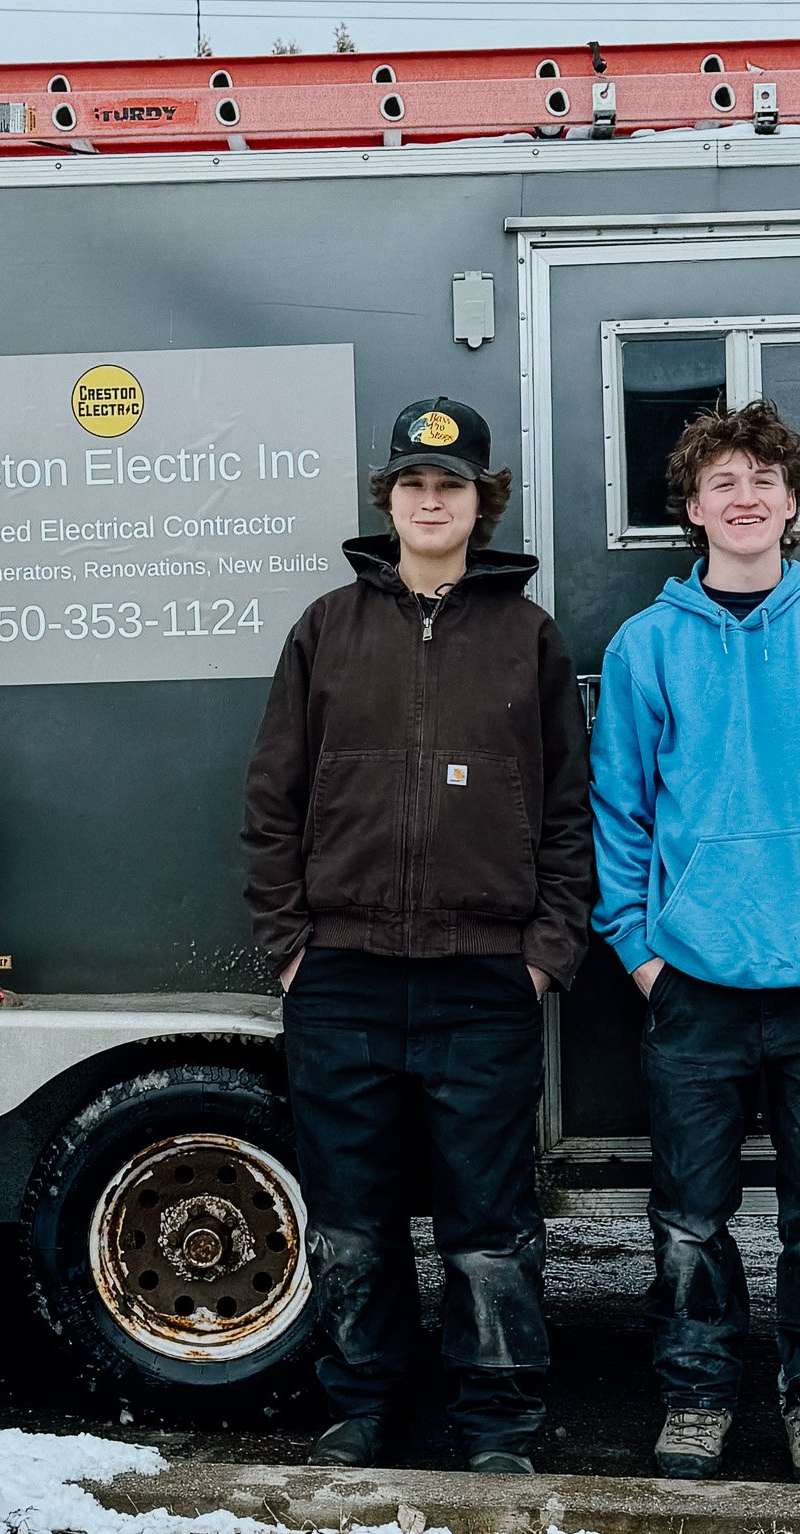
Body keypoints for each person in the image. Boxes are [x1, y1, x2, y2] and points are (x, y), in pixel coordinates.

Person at [589, 399, 800, 1486]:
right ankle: (695, 1397)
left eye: (763, 480)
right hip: (689, 984)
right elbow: (616, 815)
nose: (744, 498)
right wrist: (640, 950)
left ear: (791, 503)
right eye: (720, 483)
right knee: (689, 1223)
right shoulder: (646, 647)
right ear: (690, 510)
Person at [243, 396, 594, 1474]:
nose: (430, 498)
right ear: (387, 500)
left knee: (487, 1224)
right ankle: (362, 1411)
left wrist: (542, 953)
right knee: (352, 1223)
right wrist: (292, 944)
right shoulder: (326, 628)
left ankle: (495, 1424)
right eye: (411, 484)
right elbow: (271, 802)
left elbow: (569, 808)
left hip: (480, 976)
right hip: (340, 977)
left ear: (478, 502)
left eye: (450, 485)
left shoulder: (524, 636)